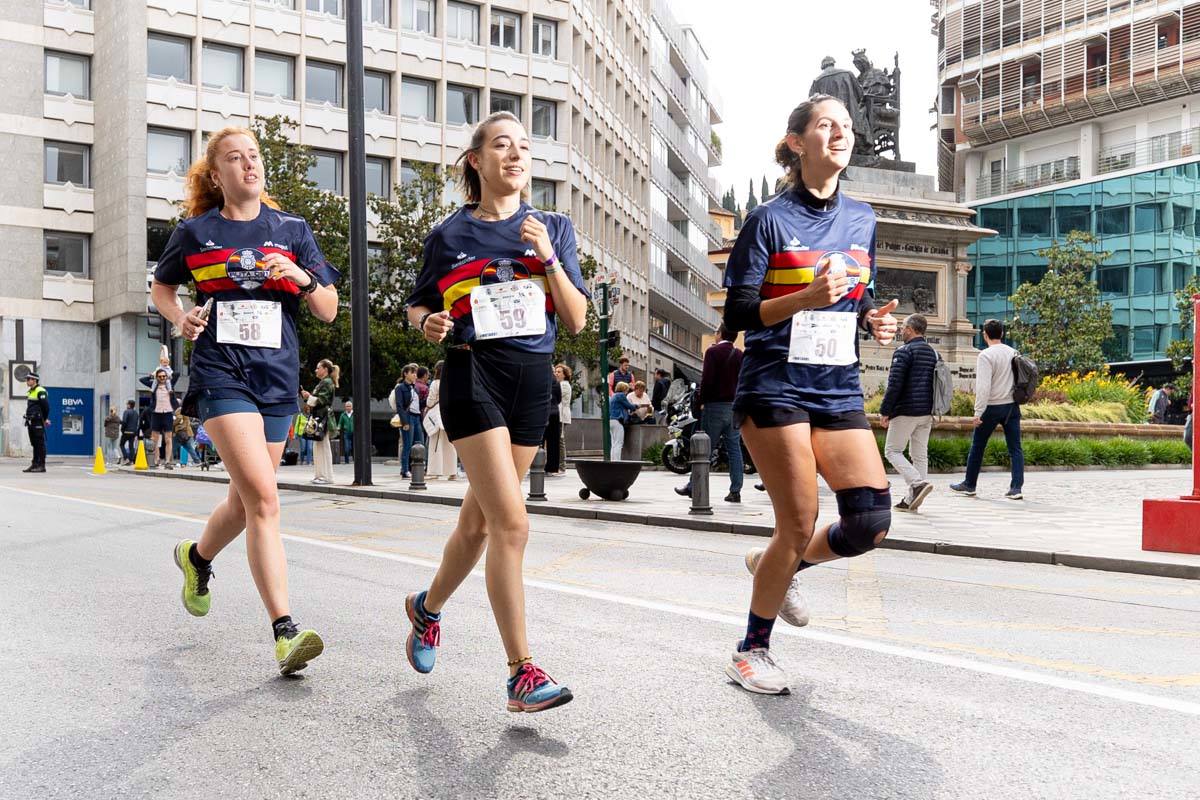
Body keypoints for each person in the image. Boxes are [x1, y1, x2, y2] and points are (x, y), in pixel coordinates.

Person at [403, 110, 588, 712]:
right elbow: (418, 307)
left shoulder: (553, 227)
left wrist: (549, 258)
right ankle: (521, 672)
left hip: (532, 379)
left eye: (524, 147)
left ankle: (426, 609)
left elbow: (579, 319)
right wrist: (426, 323)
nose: (515, 155)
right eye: (501, 146)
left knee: (478, 524)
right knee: (512, 524)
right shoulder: (448, 236)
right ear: (476, 161)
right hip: (471, 372)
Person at [719, 96, 900, 694]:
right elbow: (740, 313)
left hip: (836, 382)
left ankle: (779, 564)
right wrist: (804, 299)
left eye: (847, 126)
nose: (841, 133)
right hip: (774, 382)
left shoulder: (863, 218)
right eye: (827, 125)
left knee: (870, 520)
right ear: (798, 142)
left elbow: (857, 290)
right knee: (798, 521)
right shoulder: (768, 220)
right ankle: (752, 649)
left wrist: (873, 318)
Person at [151, 124, 340, 675]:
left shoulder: (292, 229)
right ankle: (285, 631)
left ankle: (197, 557)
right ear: (218, 175)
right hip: (220, 374)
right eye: (235, 159)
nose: (249, 165)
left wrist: (302, 278)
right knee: (264, 499)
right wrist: (179, 315)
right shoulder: (195, 232)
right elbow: (163, 288)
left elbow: (327, 307)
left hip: (277, 378)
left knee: (243, 501)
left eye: (253, 156)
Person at [950, 319, 1024, 500]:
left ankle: (969, 484)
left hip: (991, 407)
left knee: (978, 446)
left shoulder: (985, 355)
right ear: (1002, 334)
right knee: (1015, 448)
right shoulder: (1013, 352)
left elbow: (983, 387)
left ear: (985, 334)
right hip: (1011, 407)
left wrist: (977, 412)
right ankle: (1016, 489)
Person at [675, 325, 745, 502]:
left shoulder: (713, 352)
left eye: (716, 332)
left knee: (704, 449)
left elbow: (706, 379)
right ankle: (735, 490)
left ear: (720, 334)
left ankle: (693, 486)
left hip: (714, 407)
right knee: (734, 449)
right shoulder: (739, 354)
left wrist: (700, 402)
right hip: (733, 407)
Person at [880, 313, 937, 512]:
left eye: (903, 327)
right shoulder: (933, 353)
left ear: (911, 329)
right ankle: (911, 499)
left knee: (892, 451)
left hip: (906, 410)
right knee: (919, 455)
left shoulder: (904, 352)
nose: (900, 330)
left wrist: (885, 410)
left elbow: (894, 385)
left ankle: (916, 483)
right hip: (926, 412)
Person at [301, 360, 338, 485]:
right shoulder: (325, 382)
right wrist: (309, 397)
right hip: (322, 417)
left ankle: (326, 476)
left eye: (318, 368)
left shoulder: (326, 382)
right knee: (319, 447)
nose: (316, 370)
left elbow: (322, 400)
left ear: (325, 369)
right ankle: (321, 475)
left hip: (323, 417)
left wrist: (308, 397)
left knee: (322, 447)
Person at [141, 368, 179, 469]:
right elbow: (142, 380)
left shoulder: (170, 384)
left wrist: (166, 367)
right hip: (156, 414)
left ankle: (167, 462)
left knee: (168, 439)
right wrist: (151, 375)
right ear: (157, 378)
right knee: (154, 439)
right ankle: (156, 460)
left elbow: (177, 373)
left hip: (167, 414)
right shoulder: (154, 385)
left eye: (164, 376)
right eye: (160, 376)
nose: (162, 378)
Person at [425, 361, 457, 479]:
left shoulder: (435, 383)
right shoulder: (452, 382)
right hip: (450, 413)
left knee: (436, 443)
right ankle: (452, 472)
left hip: (438, 414)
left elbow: (430, 401)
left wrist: (428, 406)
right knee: (450, 444)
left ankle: (435, 472)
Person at [392, 365, 419, 478]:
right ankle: (405, 469)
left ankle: (416, 468)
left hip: (417, 417)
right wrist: (405, 422)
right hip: (408, 417)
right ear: (405, 374)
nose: (415, 375)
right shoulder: (400, 387)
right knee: (407, 444)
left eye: (415, 373)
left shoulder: (414, 387)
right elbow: (399, 405)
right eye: (412, 373)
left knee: (419, 443)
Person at [23, 372, 49, 473]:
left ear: (34, 380)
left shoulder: (40, 391)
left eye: (28, 379)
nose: (27, 381)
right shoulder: (30, 391)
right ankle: (34, 464)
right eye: (27, 379)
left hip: (38, 421)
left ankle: (42, 466)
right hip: (31, 421)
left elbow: (46, 407)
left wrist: (44, 419)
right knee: (34, 443)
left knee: (40, 443)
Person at [608, 381, 637, 458]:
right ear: (624, 389)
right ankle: (617, 462)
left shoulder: (614, 396)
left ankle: (613, 461)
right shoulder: (621, 395)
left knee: (614, 443)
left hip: (611, 421)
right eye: (627, 389)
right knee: (619, 443)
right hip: (617, 420)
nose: (627, 391)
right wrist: (637, 406)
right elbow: (630, 406)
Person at [545, 366, 563, 474]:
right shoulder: (556, 383)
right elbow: (559, 399)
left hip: (542, 412)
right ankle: (552, 467)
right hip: (554, 413)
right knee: (553, 442)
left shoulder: (541, 379)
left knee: (539, 441)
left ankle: (536, 464)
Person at [554, 363, 573, 474]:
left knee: (560, 441)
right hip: (558, 415)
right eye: (556, 371)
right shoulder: (558, 384)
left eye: (559, 372)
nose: (556, 373)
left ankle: (562, 466)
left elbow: (557, 398)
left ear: (565, 375)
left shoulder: (564, 385)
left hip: (561, 416)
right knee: (557, 441)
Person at [415, 365, 431, 447]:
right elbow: (427, 403)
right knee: (423, 440)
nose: (428, 377)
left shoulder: (413, 385)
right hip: (423, 416)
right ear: (424, 375)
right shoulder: (425, 388)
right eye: (428, 375)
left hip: (412, 415)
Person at [119, 400, 139, 465]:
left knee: (121, 444)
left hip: (126, 431)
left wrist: (122, 429)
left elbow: (124, 422)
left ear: (129, 405)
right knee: (131, 446)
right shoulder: (136, 413)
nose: (126, 405)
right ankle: (131, 460)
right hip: (133, 432)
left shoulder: (126, 412)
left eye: (127, 404)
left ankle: (126, 458)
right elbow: (136, 423)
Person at [338, 400, 354, 465]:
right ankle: (346, 461)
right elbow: (340, 423)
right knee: (347, 448)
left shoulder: (354, 414)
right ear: (345, 407)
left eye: (349, 406)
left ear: (352, 407)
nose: (348, 407)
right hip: (346, 433)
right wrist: (338, 427)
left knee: (354, 448)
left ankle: (355, 460)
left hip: (354, 433)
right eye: (347, 406)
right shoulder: (343, 415)